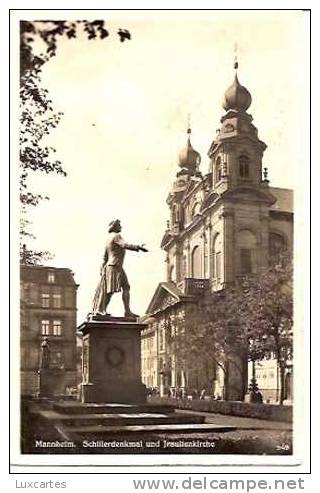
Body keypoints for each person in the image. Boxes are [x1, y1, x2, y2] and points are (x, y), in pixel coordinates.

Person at [92, 219, 147, 319]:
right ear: (115, 226)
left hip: (111, 266)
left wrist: (102, 269)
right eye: (119, 225)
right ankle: (103, 310)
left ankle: (122, 311)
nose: (121, 227)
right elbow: (124, 245)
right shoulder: (116, 236)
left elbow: (104, 258)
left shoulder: (108, 239)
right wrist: (138, 247)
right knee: (113, 290)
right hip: (115, 266)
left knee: (121, 288)